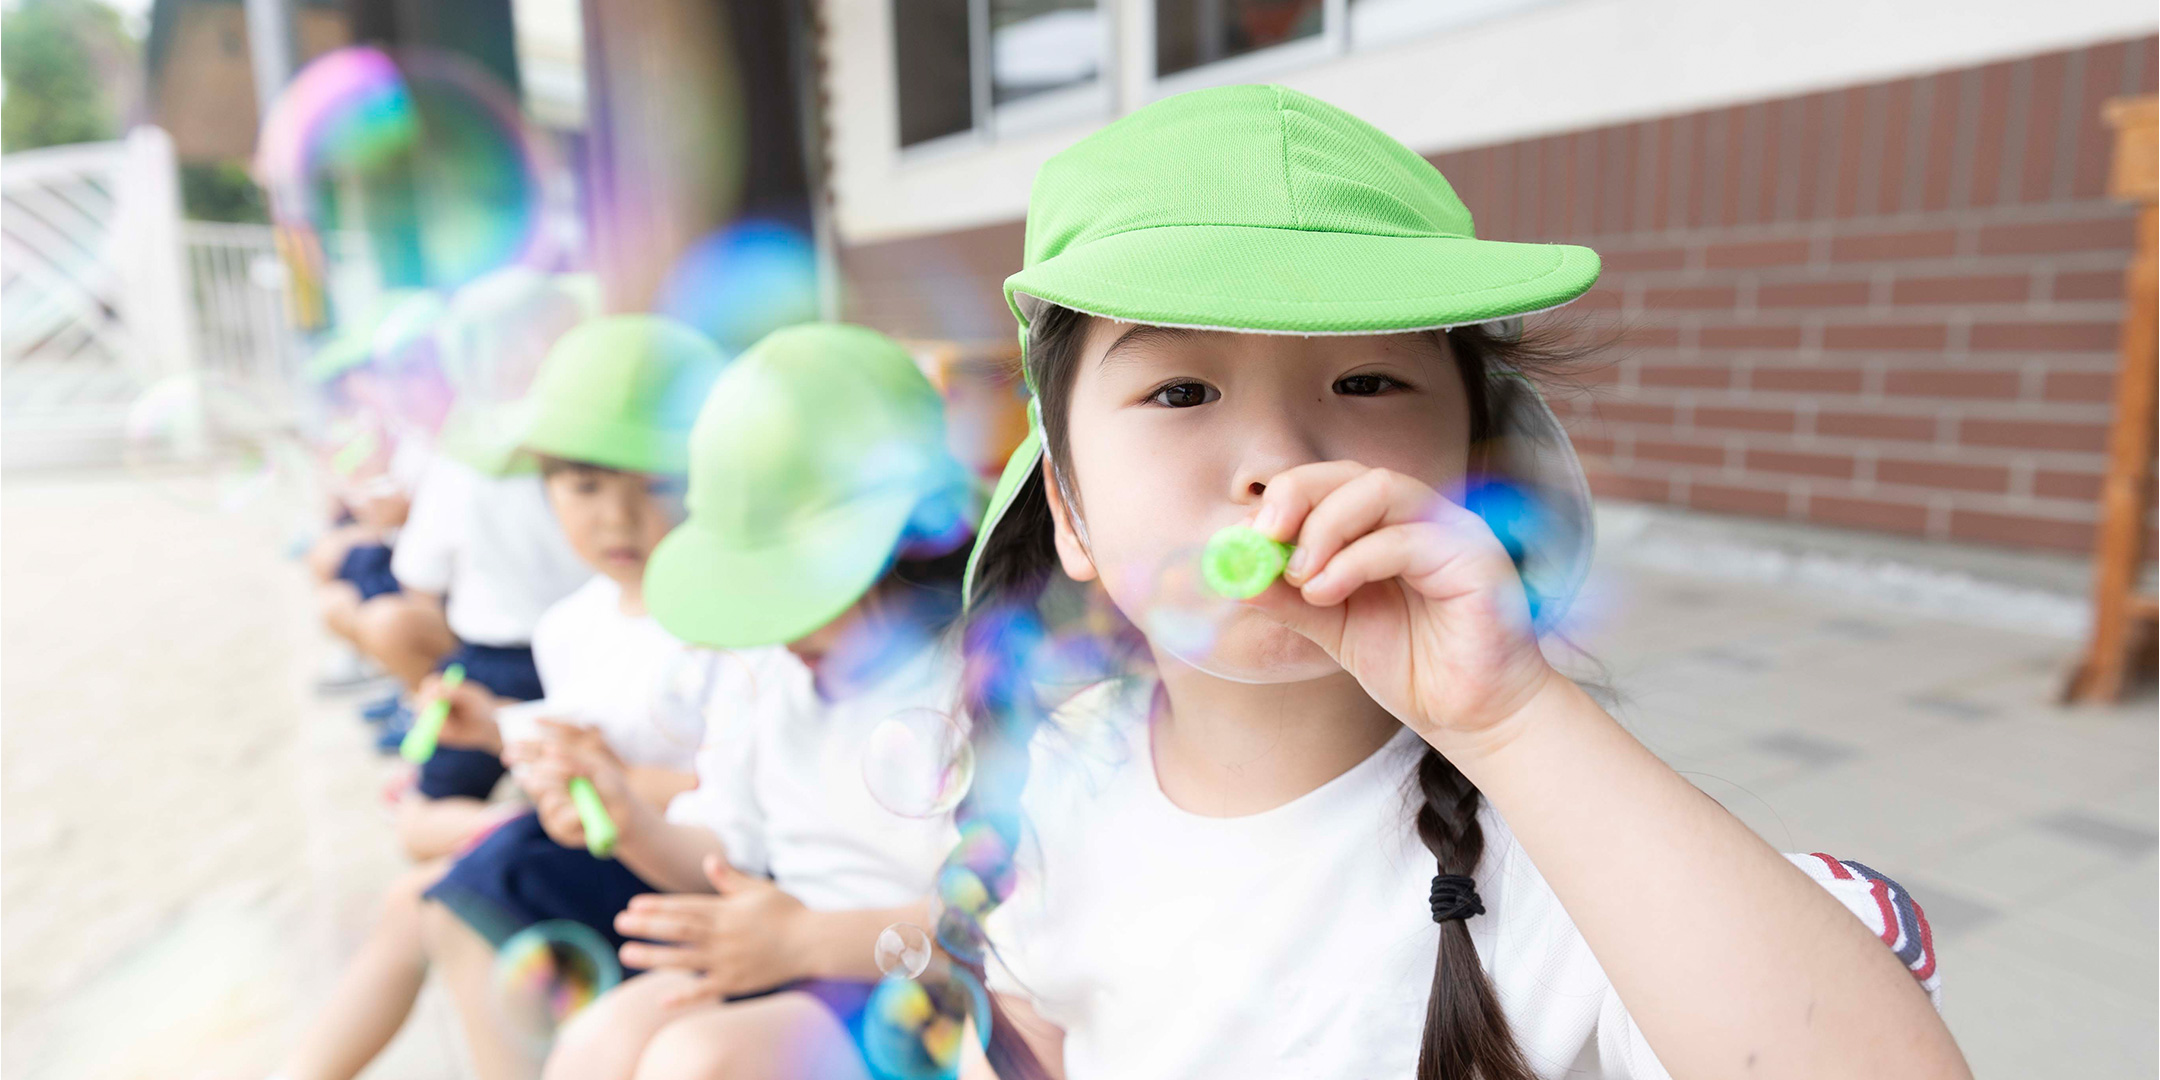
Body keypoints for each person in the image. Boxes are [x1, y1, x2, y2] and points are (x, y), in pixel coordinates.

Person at [909, 85, 1968, 1080]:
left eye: (1367, 380)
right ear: (1069, 508)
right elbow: (1037, 1031)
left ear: (1478, 472)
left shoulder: (1565, 844)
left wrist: (1509, 718)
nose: (1280, 457)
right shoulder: (1047, 776)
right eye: (1182, 389)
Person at [271, 314, 724, 1080]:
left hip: (683, 870)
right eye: (584, 485)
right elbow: (582, 735)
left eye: (658, 484)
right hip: (604, 849)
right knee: (411, 901)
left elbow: (736, 797)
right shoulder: (571, 623)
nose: (617, 516)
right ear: (545, 488)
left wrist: (610, 783)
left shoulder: (721, 630)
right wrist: (494, 728)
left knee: (459, 904)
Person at [536, 323, 977, 1080]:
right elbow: (727, 848)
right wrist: (628, 819)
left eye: (801, 586)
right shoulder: (766, 670)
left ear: (905, 547)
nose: (775, 621)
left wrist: (803, 942)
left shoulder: (966, 684)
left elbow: (998, 926)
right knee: (593, 1045)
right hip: (792, 949)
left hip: (927, 988)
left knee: (695, 1063)